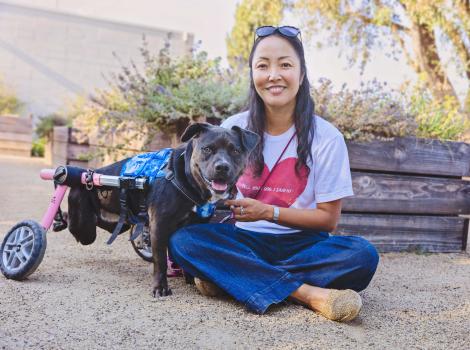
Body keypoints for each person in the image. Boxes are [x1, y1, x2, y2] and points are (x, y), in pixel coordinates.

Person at [169, 25, 379, 322]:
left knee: (362, 255)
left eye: (285, 65)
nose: (273, 75)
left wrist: (269, 212)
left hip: (304, 244)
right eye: (263, 66)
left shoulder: (326, 137)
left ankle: (232, 278)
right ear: (253, 75)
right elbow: (209, 190)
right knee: (183, 241)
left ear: (302, 75)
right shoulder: (233, 127)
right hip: (244, 240)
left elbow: (328, 220)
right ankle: (308, 294)